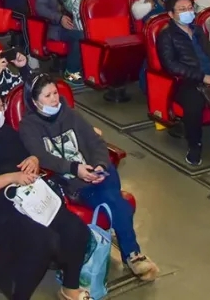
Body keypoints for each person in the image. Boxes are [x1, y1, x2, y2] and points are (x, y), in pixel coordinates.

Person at [0, 85, 93, 300]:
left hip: (28, 196)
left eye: (1, 107)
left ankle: (70, 288)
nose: (0, 113)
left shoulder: (6, 132)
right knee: (43, 240)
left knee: (75, 228)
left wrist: (33, 160)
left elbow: (28, 155)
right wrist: (12, 178)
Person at [18, 74, 158, 281]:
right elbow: (42, 157)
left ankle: (131, 251)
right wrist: (76, 169)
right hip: (71, 182)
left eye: (55, 92)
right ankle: (132, 254)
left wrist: (100, 165)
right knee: (116, 203)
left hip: (95, 172)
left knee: (110, 192)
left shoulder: (71, 114)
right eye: (47, 96)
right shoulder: (28, 126)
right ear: (34, 101)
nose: (54, 99)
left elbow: (95, 142)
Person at [156, 0, 210, 167]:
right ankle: (194, 145)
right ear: (171, 14)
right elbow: (171, 65)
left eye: (190, 8)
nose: (188, 12)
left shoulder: (198, 30)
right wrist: (203, 77)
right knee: (194, 103)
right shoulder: (166, 35)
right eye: (182, 9)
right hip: (186, 80)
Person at [34, 0, 84, 84]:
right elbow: (40, 8)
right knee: (79, 35)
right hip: (57, 27)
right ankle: (71, 72)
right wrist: (59, 18)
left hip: (79, 20)